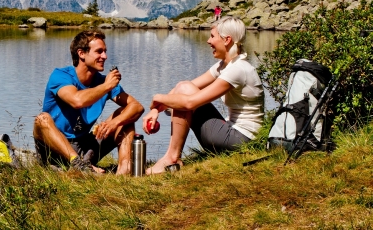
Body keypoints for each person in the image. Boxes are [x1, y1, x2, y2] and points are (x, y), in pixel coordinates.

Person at [142, 16, 264, 174]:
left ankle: (171, 158)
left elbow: (190, 103)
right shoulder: (225, 66)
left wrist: (158, 97)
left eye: (212, 36)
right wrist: (155, 110)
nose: (208, 41)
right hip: (234, 133)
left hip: (241, 140)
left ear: (227, 40)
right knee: (183, 87)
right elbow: (183, 87)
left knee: (185, 95)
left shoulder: (237, 70)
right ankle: (172, 157)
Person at [33, 30, 144, 174]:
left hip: (85, 145)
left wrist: (114, 123)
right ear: (81, 54)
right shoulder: (61, 76)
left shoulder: (104, 81)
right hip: (55, 148)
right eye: (99, 51)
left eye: (105, 51)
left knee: (126, 116)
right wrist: (106, 87)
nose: (105, 56)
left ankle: (124, 169)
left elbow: (137, 107)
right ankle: (77, 164)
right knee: (42, 119)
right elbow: (77, 100)